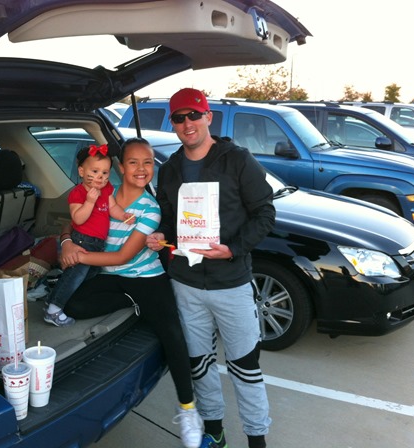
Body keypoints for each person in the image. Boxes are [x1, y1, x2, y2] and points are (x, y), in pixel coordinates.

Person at [146, 88, 276, 448]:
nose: (187, 123)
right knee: (199, 365)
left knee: (245, 368)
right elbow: (169, 220)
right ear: (173, 123)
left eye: (193, 115)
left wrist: (233, 249)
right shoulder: (169, 169)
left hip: (231, 283)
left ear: (208, 117)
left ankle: (257, 441)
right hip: (186, 283)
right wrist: (161, 235)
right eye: (179, 118)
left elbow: (265, 213)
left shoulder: (237, 160)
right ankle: (215, 433)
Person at [60, 138, 203, 448]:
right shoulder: (101, 193)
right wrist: (66, 242)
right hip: (111, 276)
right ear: (121, 167)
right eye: (134, 162)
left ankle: (188, 409)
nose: (141, 169)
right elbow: (73, 223)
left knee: (173, 336)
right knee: (72, 306)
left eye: (148, 162)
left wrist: (79, 257)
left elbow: (123, 257)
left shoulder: (150, 208)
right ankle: (134, 304)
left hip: (146, 277)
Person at [43, 144, 132, 326]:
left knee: (88, 275)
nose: (101, 177)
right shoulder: (78, 193)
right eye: (95, 171)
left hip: (98, 243)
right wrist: (90, 201)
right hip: (82, 241)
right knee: (75, 275)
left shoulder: (106, 190)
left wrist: (123, 216)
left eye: (105, 173)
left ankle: (54, 298)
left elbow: (112, 207)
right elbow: (78, 218)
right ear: (82, 171)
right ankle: (53, 310)